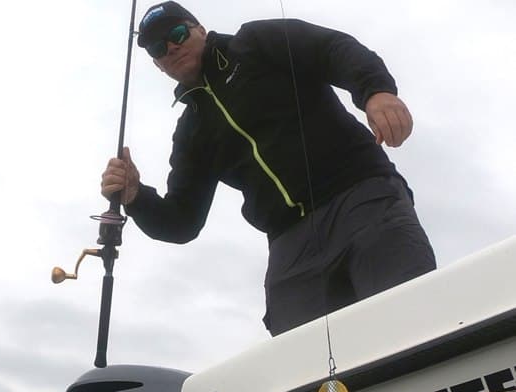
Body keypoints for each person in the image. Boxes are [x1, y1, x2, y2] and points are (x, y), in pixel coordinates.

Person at [100, 2, 436, 335]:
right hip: (289, 244)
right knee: (304, 373)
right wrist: (135, 196)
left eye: (177, 33)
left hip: (360, 198)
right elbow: (182, 221)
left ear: (200, 30)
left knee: (409, 325)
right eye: (158, 47)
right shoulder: (192, 131)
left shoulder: (254, 42)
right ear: (158, 65)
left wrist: (375, 92)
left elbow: (332, 48)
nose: (171, 47)